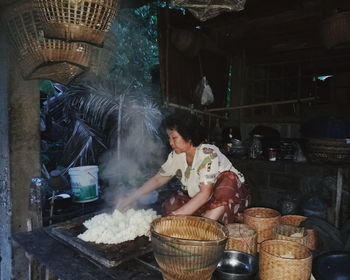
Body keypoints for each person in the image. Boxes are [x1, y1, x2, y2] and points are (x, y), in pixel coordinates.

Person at [116, 111, 250, 224]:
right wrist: (130, 198)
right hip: (205, 200)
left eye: (174, 138)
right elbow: (158, 179)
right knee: (170, 205)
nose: (170, 143)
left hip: (231, 196)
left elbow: (205, 193)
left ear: (189, 136)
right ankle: (204, 218)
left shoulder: (208, 153)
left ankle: (205, 225)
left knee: (228, 178)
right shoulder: (176, 156)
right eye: (169, 138)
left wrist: (175, 217)